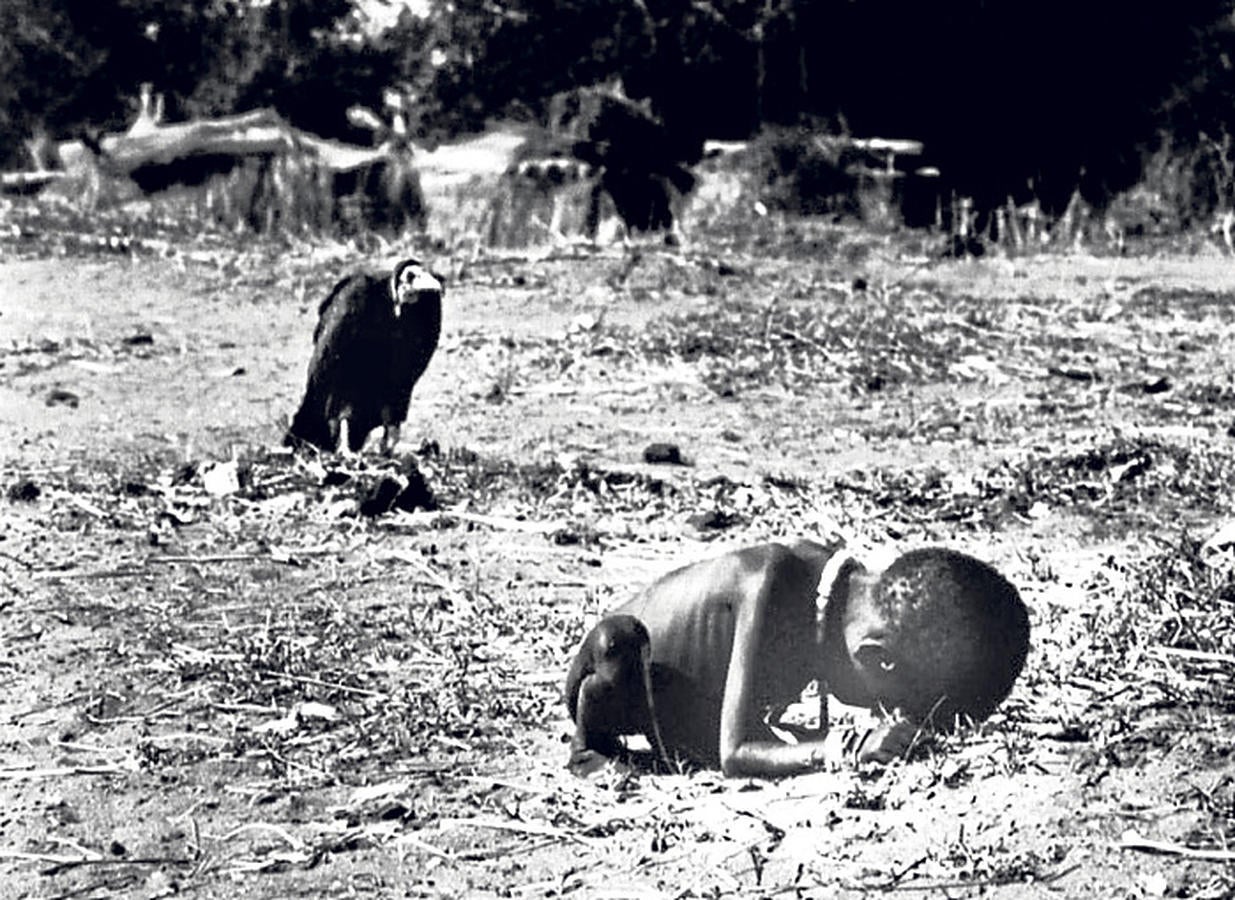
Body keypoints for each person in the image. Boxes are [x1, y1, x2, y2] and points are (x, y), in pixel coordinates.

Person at [564, 539, 1029, 777]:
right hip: (622, 677)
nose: (883, 714)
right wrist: (842, 749)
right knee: (617, 646)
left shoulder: (831, 591)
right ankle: (590, 749)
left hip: (690, 707)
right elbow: (735, 753)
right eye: (891, 703)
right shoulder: (770, 586)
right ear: (878, 659)